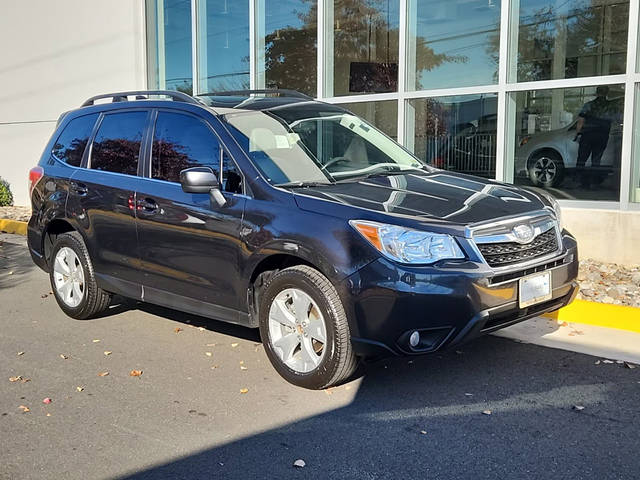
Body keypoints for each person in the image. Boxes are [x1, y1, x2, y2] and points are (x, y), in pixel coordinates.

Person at [573, 86, 613, 188]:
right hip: (602, 136)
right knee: (596, 160)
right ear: (607, 93)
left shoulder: (589, 105)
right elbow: (615, 121)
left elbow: (580, 121)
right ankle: (594, 183)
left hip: (588, 135)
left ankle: (580, 181)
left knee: (582, 159)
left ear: (596, 93)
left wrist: (577, 133)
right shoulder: (610, 107)